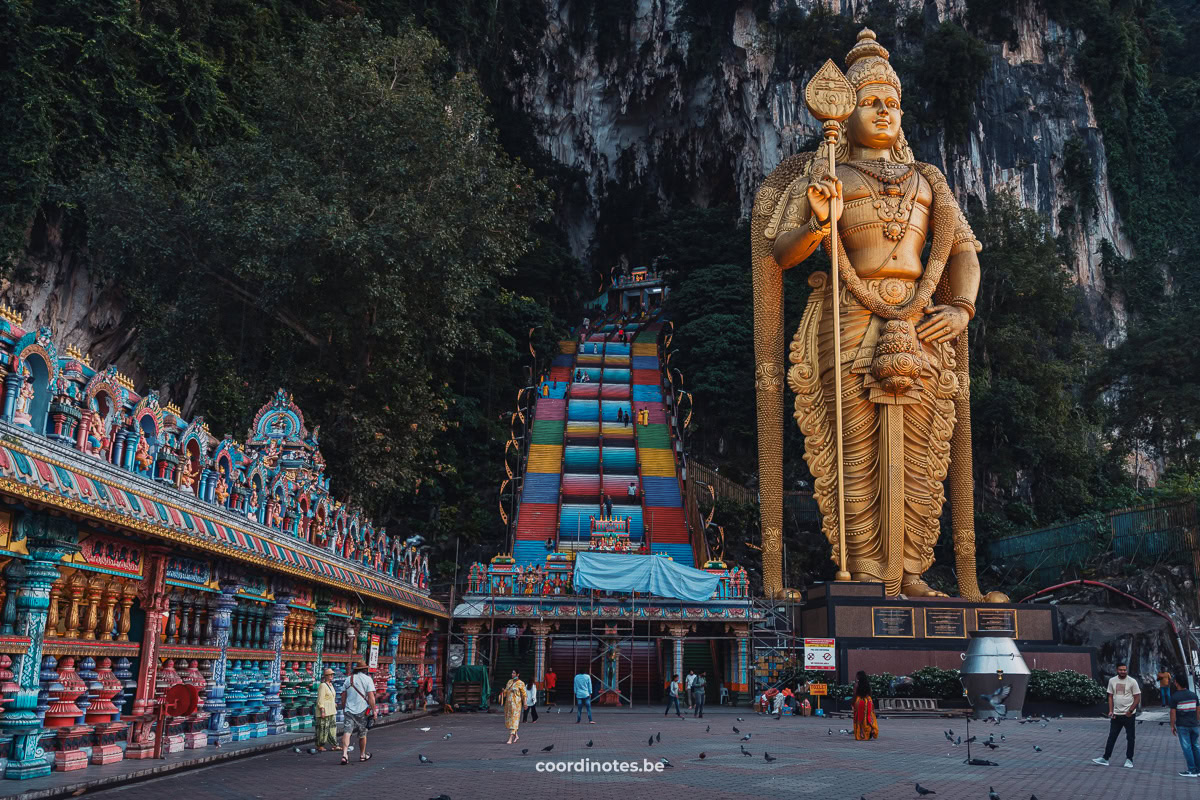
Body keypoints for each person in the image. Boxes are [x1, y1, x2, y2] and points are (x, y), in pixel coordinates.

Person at [1093, 663, 1141, 768]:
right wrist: (1111, 710)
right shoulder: (1112, 681)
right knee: (1112, 736)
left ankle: (1129, 759)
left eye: (1124, 670)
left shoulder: (1132, 682)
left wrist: (1130, 710)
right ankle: (1105, 758)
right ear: (1117, 670)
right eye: (1121, 670)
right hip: (1116, 714)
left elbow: (1137, 697)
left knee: (1130, 737)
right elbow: (1110, 696)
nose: (1123, 672)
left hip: (1129, 714)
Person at [340, 662, 376, 765]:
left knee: (347, 732)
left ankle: (345, 754)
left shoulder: (348, 679)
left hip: (349, 710)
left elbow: (343, 695)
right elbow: (371, 697)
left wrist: (344, 708)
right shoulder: (368, 679)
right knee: (362, 733)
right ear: (364, 669)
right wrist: (374, 710)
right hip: (362, 710)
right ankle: (362, 754)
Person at [1169, 673, 1200, 777]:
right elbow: (1198, 711)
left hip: (1183, 725)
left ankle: (1191, 770)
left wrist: (1172, 725)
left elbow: (1173, 713)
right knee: (1195, 746)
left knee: (1187, 748)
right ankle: (1198, 769)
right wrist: (1197, 722)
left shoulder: (1175, 697)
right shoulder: (1193, 695)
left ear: (1176, 683)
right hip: (1194, 725)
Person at [500, 669, 527, 745]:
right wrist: (503, 692)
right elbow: (506, 692)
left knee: (514, 720)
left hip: (516, 705)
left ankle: (510, 738)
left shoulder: (521, 683)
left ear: (518, 674)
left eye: (514, 673)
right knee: (509, 720)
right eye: (512, 673)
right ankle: (516, 735)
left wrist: (525, 703)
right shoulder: (509, 682)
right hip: (508, 705)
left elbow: (524, 695)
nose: (512, 674)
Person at [315, 667, 337, 751]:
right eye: (329, 675)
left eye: (332, 675)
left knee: (332, 728)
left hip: (331, 710)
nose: (331, 676)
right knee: (322, 729)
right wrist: (322, 710)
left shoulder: (331, 685)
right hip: (325, 710)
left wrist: (334, 704)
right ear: (326, 676)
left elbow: (331, 697)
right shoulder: (323, 685)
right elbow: (320, 699)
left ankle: (334, 744)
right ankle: (320, 745)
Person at [852, 671, 878, 740]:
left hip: (860, 702)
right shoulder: (868, 684)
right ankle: (871, 730)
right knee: (869, 717)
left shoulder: (857, 684)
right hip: (868, 701)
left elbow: (855, 694)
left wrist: (853, 702)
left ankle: (861, 734)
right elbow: (870, 693)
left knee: (859, 719)